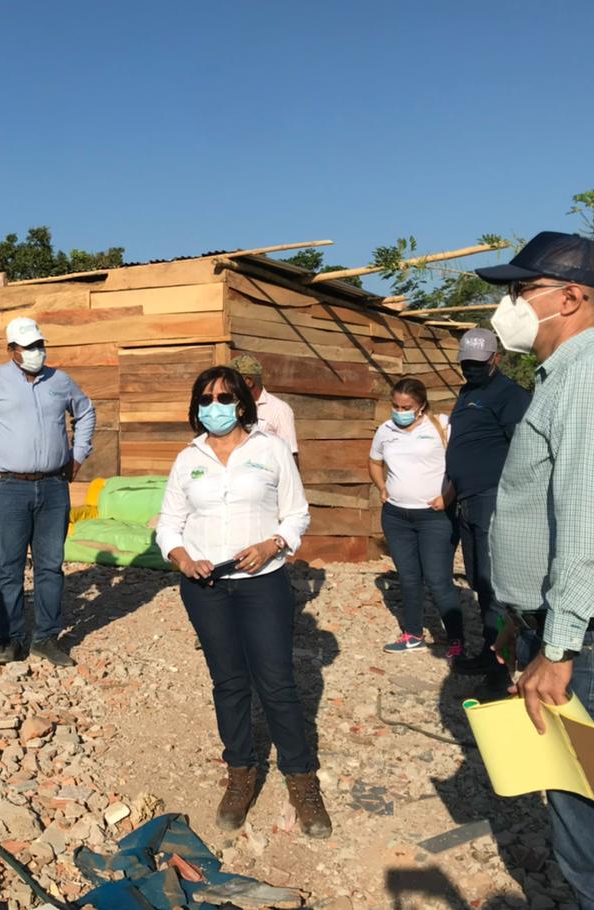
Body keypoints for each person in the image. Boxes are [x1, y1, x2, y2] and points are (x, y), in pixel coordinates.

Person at [480, 232, 594, 908]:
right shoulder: (566, 378)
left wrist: (557, 649)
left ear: (569, 299)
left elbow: (590, 531)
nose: (508, 304)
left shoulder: (589, 382)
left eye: (520, 290)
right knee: (584, 818)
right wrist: (523, 620)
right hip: (581, 630)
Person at [156, 366, 331, 839]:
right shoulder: (187, 459)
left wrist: (274, 544)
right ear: (196, 407)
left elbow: (297, 514)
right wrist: (181, 557)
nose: (214, 406)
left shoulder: (270, 450)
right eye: (205, 398)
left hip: (262, 582)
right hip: (206, 586)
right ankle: (240, 773)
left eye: (224, 397)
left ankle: (301, 779)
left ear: (241, 404)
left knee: (277, 683)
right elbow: (169, 523)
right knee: (229, 682)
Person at [0, 317, 95, 668]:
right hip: (8, 487)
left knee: (50, 566)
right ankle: (10, 639)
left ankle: (46, 638)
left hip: (54, 486)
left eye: (39, 345)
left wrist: (78, 454)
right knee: (9, 568)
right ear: (11, 349)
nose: (36, 352)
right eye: (28, 347)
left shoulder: (60, 381)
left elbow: (86, 412)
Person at [443, 328, 530, 689]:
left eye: (478, 363)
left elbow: (524, 451)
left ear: (496, 358)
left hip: (494, 500)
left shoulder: (512, 396)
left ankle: (501, 668)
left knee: (496, 586)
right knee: (479, 581)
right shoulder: (467, 393)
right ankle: (489, 650)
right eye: (466, 363)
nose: (471, 369)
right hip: (467, 501)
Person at [368, 378, 462, 656]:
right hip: (396, 516)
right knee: (408, 577)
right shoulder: (385, 430)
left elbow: (461, 463)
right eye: (395, 406)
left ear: (420, 405)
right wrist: (382, 487)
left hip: (434, 517)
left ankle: (456, 640)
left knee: (437, 578)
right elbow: (374, 461)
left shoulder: (441, 426)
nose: (400, 411)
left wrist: (449, 495)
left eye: (406, 407)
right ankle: (413, 634)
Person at [230, 353, 299, 465]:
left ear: (248, 382)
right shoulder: (231, 407)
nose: (229, 386)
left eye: (233, 382)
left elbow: (290, 455)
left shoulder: (279, 409)